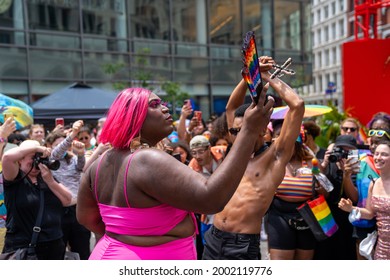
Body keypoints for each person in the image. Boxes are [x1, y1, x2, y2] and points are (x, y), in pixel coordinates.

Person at [76, 86, 274, 260]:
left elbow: (86, 218)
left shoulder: (99, 163)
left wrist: (125, 234)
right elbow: (211, 199)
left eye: (162, 103)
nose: (164, 107)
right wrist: (248, 130)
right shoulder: (146, 159)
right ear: (133, 116)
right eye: (154, 104)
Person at [202, 56, 305, 260]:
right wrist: (251, 74)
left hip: (242, 244)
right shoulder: (234, 150)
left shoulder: (274, 156)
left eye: (244, 129)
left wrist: (267, 76)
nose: (237, 134)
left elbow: (297, 105)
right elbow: (232, 108)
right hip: (213, 237)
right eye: (234, 130)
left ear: (260, 130)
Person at [1, 140, 72, 259]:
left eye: (39, 157)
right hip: (24, 248)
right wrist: (37, 148)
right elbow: (7, 157)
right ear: (20, 159)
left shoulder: (46, 177)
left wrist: (51, 181)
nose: (36, 160)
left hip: (54, 245)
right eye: (33, 157)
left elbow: (67, 200)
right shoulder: (15, 177)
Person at [45, 120, 91, 260]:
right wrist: (72, 134)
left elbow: (82, 167)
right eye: (59, 144)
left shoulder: (73, 159)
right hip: (58, 211)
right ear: (50, 146)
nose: (64, 148)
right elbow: (58, 151)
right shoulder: (51, 160)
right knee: (58, 252)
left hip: (77, 209)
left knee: (82, 250)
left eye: (65, 144)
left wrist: (82, 153)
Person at [339, 140, 390, 260]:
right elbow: (369, 213)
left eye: (384, 154)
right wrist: (351, 208)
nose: (378, 157)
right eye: (376, 154)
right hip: (382, 247)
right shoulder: (374, 183)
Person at [314, 134, 359, 260]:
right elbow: (318, 184)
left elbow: (354, 198)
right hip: (327, 216)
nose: (342, 155)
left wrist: (347, 174)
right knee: (325, 253)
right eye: (340, 150)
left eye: (347, 151)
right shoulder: (329, 164)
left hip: (348, 219)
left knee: (347, 254)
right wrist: (323, 165)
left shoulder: (357, 168)